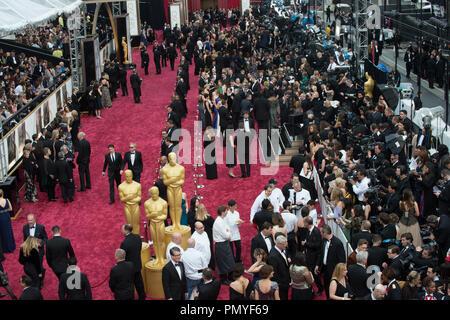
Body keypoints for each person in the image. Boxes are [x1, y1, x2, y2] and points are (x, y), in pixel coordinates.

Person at [315, 224, 346, 299]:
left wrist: (339, 273)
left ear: (325, 233)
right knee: (326, 287)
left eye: (321, 232)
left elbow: (342, 260)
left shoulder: (338, 243)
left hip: (334, 271)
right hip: (325, 269)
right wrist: (317, 265)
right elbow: (321, 254)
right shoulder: (324, 241)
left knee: (333, 289)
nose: (320, 234)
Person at [120, 224, 146, 300]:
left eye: (122, 229)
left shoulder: (124, 243)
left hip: (129, 268)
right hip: (137, 265)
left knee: (130, 285)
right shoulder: (138, 237)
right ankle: (142, 297)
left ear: (126, 230)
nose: (121, 231)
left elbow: (122, 256)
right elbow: (139, 248)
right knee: (139, 283)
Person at [213, 205, 235, 285]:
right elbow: (226, 235)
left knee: (229, 260)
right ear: (222, 212)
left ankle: (229, 276)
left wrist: (228, 232)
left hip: (224, 243)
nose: (227, 212)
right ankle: (223, 279)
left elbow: (228, 230)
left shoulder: (222, 220)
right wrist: (228, 233)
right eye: (226, 210)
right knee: (222, 262)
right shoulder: (219, 222)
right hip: (221, 244)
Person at [303, 216, 323, 296]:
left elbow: (317, 245)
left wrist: (306, 244)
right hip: (309, 256)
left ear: (307, 223)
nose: (303, 224)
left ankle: (320, 288)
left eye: (304, 222)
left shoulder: (316, 232)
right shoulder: (309, 231)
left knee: (315, 275)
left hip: (315, 257)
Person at [268, 233, 291, 300]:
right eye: (284, 244)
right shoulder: (273, 256)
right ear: (278, 244)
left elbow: (287, 255)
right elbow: (274, 273)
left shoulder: (283, 248)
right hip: (281, 284)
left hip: (286, 279)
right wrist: (281, 285)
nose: (286, 245)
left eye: (286, 243)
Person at [0, 189, 15, 254]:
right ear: (2, 194)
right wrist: (5, 210)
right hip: (7, 216)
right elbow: (11, 209)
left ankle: (4, 248)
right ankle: (11, 246)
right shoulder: (7, 200)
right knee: (8, 230)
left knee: (2, 232)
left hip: (0, 217)